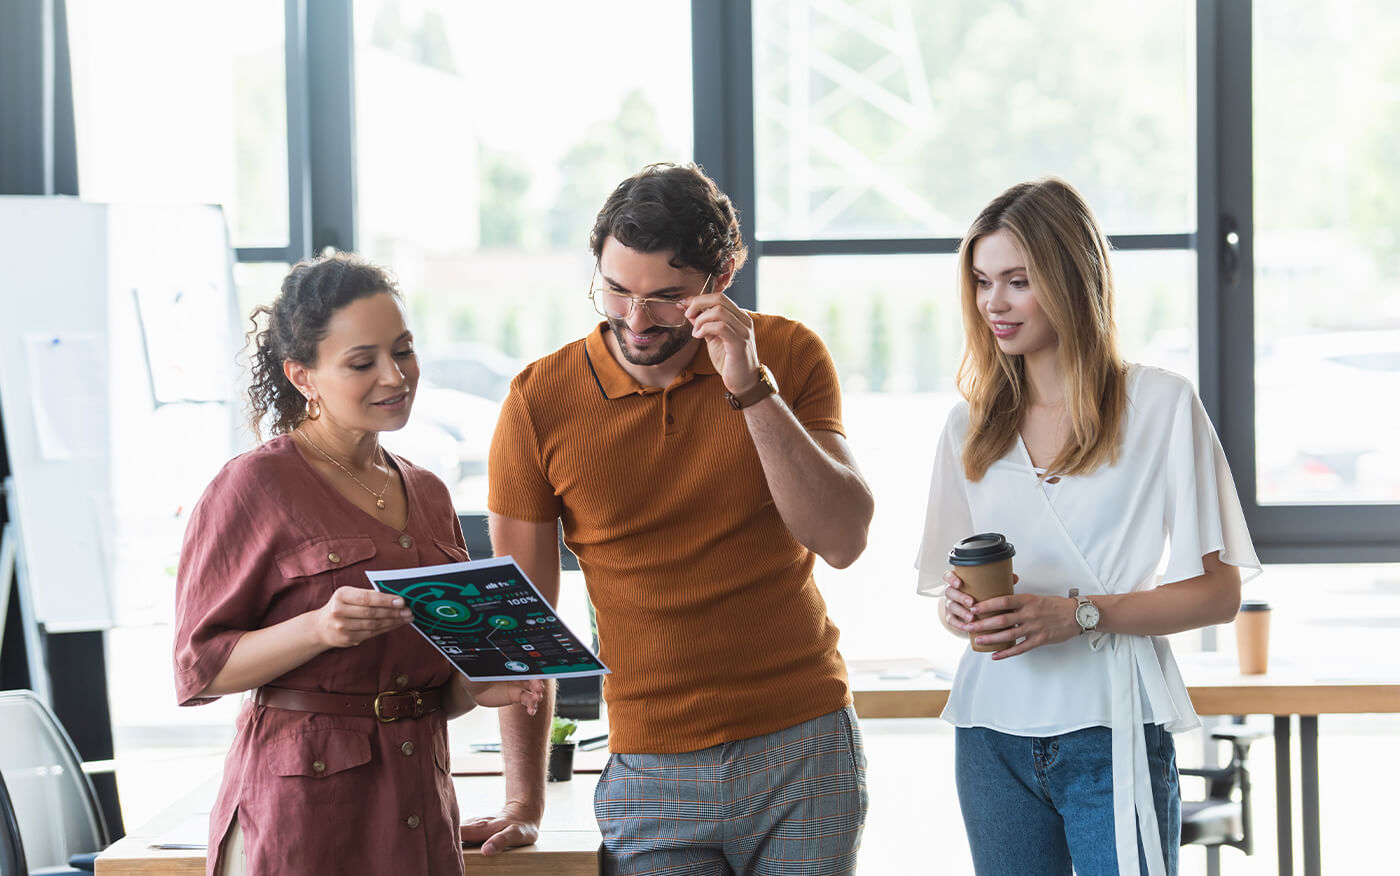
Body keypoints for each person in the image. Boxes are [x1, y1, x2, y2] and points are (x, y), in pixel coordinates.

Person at [465, 162, 875, 874]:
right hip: (653, 771)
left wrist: (749, 386)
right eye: (615, 290)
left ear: (723, 278)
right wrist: (523, 801)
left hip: (805, 748)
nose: (635, 319)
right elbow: (521, 622)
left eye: (666, 299)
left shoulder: (787, 354)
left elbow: (841, 539)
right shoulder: (540, 401)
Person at [915, 177, 1261, 876]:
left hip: (1112, 725)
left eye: (1018, 281)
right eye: (982, 281)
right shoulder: (969, 427)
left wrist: (1078, 614)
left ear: (1072, 279)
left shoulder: (1161, 406)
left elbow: (1218, 595)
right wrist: (958, 611)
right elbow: (955, 591)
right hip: (991, 733)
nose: (994, 303)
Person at [172, 252, 544, 876]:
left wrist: (473, 688)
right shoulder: (253, 486)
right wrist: (317, 628)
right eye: (362, 362)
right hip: (302, 815)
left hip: (416, 802)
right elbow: (197, 671)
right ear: (303, 376)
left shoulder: (428, 492)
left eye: (404, 350)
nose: (395, 376)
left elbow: (423, 690)